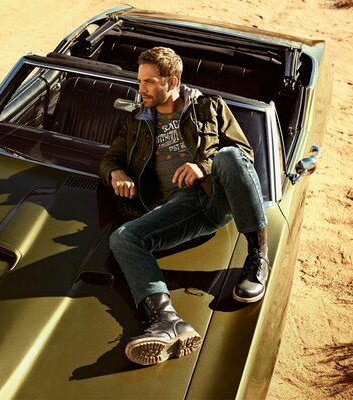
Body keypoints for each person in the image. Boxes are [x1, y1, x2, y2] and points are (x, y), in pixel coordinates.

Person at [99, 47, 269, 366]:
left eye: (149, 82)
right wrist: (116, 173)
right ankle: (167, 321)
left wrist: (203, 166)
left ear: (172, 80)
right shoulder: (137, 119)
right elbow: (110, 158)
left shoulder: (209, 107)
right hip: (174, 208)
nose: (141, 89)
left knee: (229, 156)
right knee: (123, 238)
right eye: (140, 81)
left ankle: (258, 255)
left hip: (212, 195)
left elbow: (244, 155)